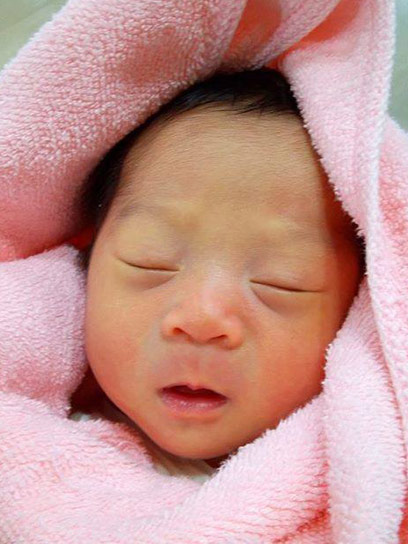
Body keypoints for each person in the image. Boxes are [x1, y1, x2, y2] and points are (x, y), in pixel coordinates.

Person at [69, 67, 366, 475]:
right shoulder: (32, 438)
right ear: (87, 256)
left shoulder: (361, 472)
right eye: (151, 260)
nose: (202, 319)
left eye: (281, 281)